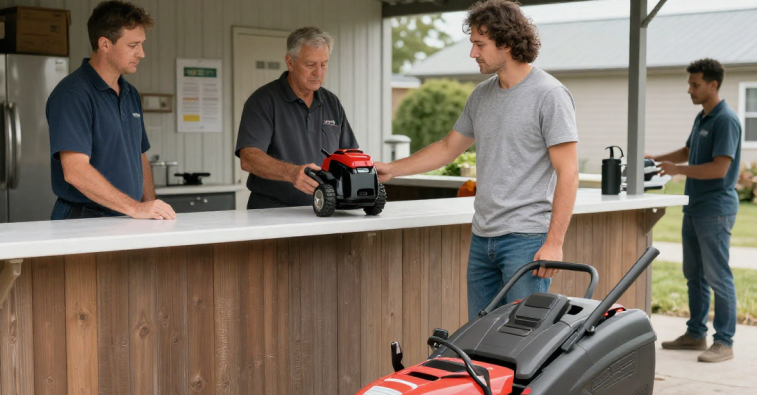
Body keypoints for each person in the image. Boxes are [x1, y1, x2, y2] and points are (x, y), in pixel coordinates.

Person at [374, 0, 579, 318]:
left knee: (525, 339)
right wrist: (392, 169)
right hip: (483, 238)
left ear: (507, 43)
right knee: (479, 339)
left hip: (526, 240)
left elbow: (569, 173)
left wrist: (554, 242)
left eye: (479, 44)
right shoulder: (481, 96)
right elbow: (447, 148)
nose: (473, 53)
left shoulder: (549, 95)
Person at [46, 0, 176, 220]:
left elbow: (140, 156)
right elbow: (75, 170)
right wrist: (135, 208)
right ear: (105, 44)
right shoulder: (72, 94)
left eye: (142, 44)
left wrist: (151, 209)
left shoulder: (130, 93)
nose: (141, 53)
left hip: (125, 218)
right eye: (133, 45)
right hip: (83, 219)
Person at [652, 58, 741, 363]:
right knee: (694, 275)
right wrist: (652, 159)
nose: (689, 89)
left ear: (713, 85)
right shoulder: (703, 117)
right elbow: (687, 152)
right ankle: (695, 334)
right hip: (694, 208)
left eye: (695, 84)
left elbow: (719, 168)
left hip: (715, 211)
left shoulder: (725, 120)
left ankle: (725, 341)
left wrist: (677, 169)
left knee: (718, 277)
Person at [235, 26, 358, 209]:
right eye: (310, 65)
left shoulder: (332, 102)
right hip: (271, 212)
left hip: (324, 208)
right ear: (290, 62)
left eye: (323, 64)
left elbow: (349, 155)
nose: (318, 72)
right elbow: (249, 158)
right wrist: (291, 173)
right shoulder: (263, 101)